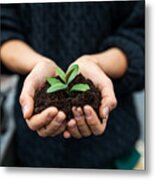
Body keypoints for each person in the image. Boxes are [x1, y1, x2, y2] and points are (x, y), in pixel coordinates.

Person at [0, 1, 144, 168]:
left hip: (113, 148)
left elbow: (142, 34)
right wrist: (37, 64)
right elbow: (4, 28)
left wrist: (97, 63)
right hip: (33, 153)